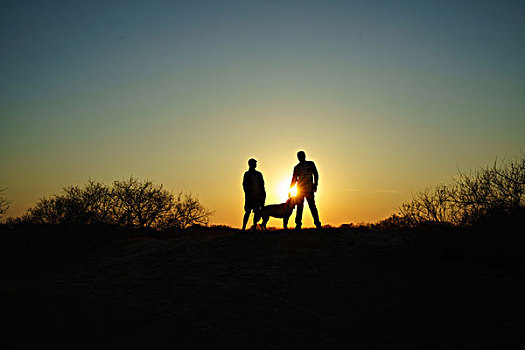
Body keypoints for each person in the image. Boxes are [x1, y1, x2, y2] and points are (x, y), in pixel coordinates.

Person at [290, 151, 322, 229]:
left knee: (312, 206)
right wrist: (290, 190)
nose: (300, 157)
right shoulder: (297, 167)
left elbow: (316, 174)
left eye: (301, 156)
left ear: (304, 156)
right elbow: (294, 179)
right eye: (299, 156)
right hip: (300, 190)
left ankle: (317, 223)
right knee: (299, 207)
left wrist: (315, 184)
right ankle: (298, 224)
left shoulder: (310, 164)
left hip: (309, 188)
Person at [242, 158, 266, 230]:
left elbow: (262, 185)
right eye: (253, 163)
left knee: (257, 212)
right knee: (248, 212)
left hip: (258, 195)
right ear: (250, 164)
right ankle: (243, 228)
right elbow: (244, 185)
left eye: (255, 163)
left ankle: (254, 227)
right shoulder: (247, 174)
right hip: (250, 196)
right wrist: (247, 194)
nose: (255, 165)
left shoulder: (259, 174)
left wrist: (263, 195)